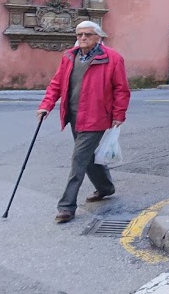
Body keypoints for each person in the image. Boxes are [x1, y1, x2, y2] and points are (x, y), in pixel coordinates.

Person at [36, 21, 130, 224]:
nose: (83, 38)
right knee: (88, 156)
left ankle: (66, 206)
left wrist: (118, 114)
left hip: (97, 117)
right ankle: (105, 187)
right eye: (79, 35)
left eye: (88, 34)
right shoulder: (69, 57)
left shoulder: (112, 59)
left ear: (99, 37)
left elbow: (121, 89)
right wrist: (46, 106)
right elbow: (56, 84)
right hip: (73, 115)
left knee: (78, 159)